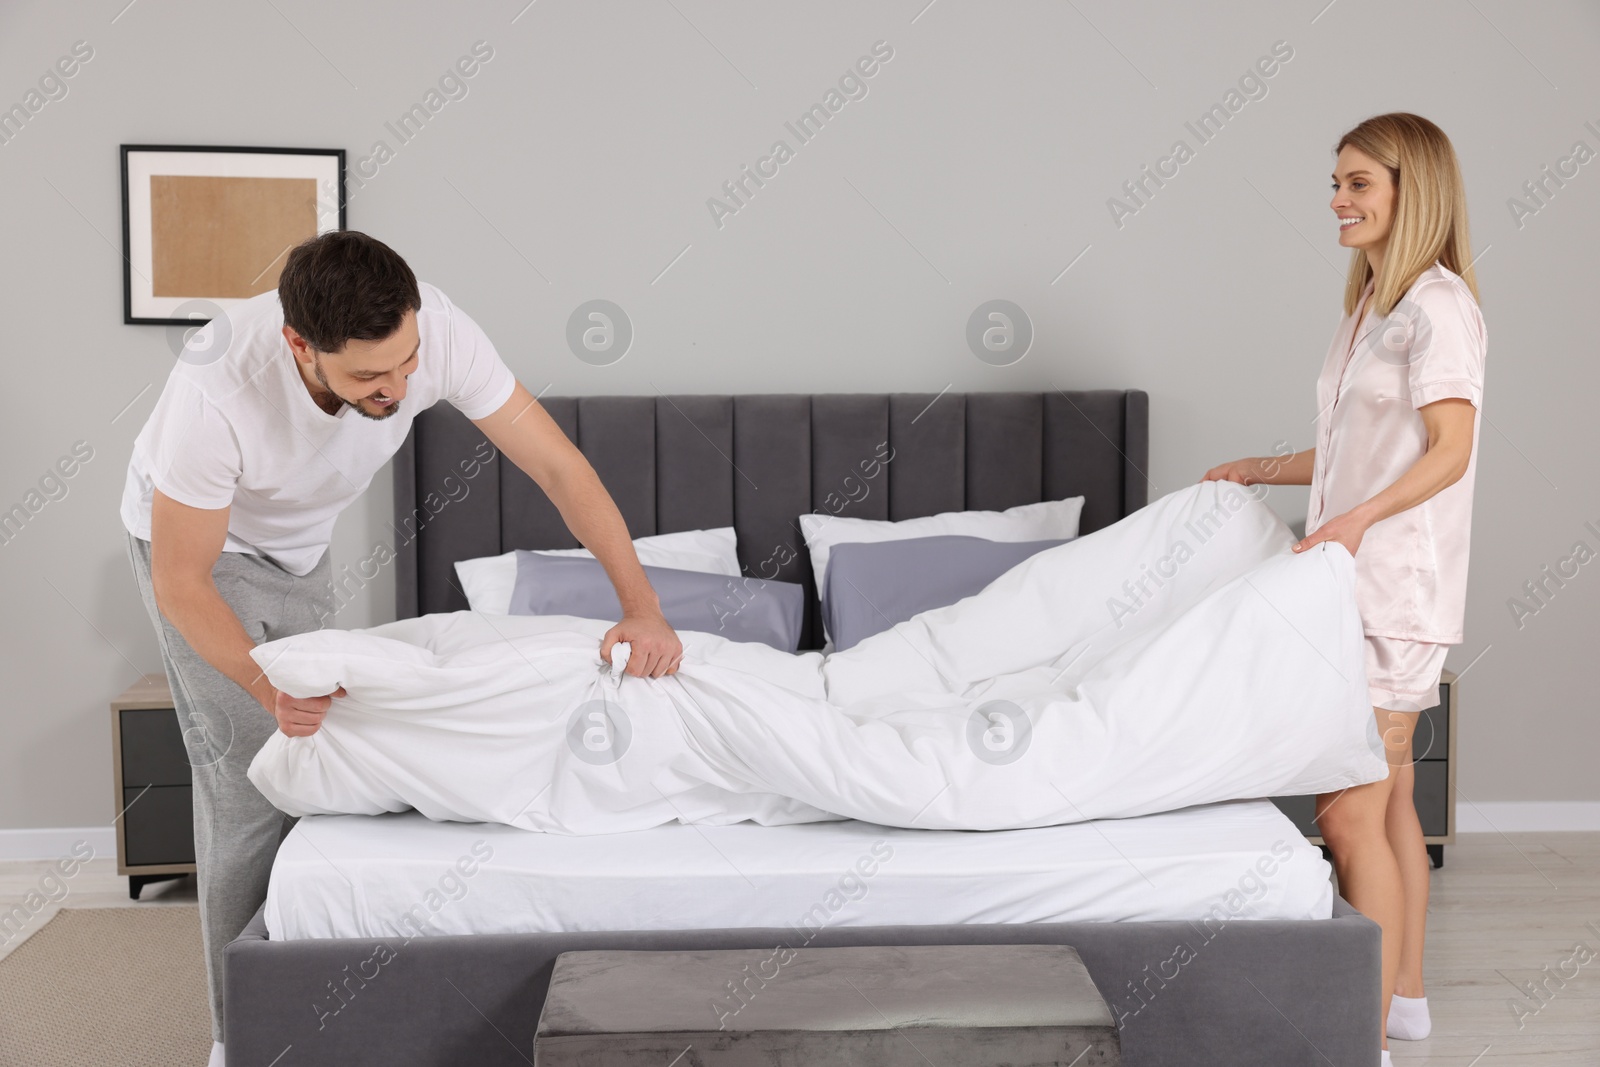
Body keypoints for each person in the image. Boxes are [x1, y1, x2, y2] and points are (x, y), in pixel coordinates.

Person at [120, 230, 684, 1067]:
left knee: (324, 764)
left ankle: (317, 986)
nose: (398, 388)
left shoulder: (437, 333)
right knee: (250, 781)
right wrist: (264, 689)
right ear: (299, 347)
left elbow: (559, 469)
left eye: (408, 363)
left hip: (301, 549)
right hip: (202, 552)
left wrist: (643, 607)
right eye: (368, 377)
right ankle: (236, 1035)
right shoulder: (216, 388)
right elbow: (182, 582)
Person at [1204, 112, 1485, 1066]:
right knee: (1393, 799)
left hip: (1393, 590)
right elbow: (1359, 449)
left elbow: (1451, 449)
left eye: (1359, 183)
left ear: (1413, 192)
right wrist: (1259, 465)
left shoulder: (1439, 307)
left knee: (1349, 811)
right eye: (1336, 182)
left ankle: (1357, 1040)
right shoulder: (1373, 304)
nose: (1338, 199)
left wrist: (1358, 522)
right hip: (1353, 579)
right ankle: (1403, 1000)